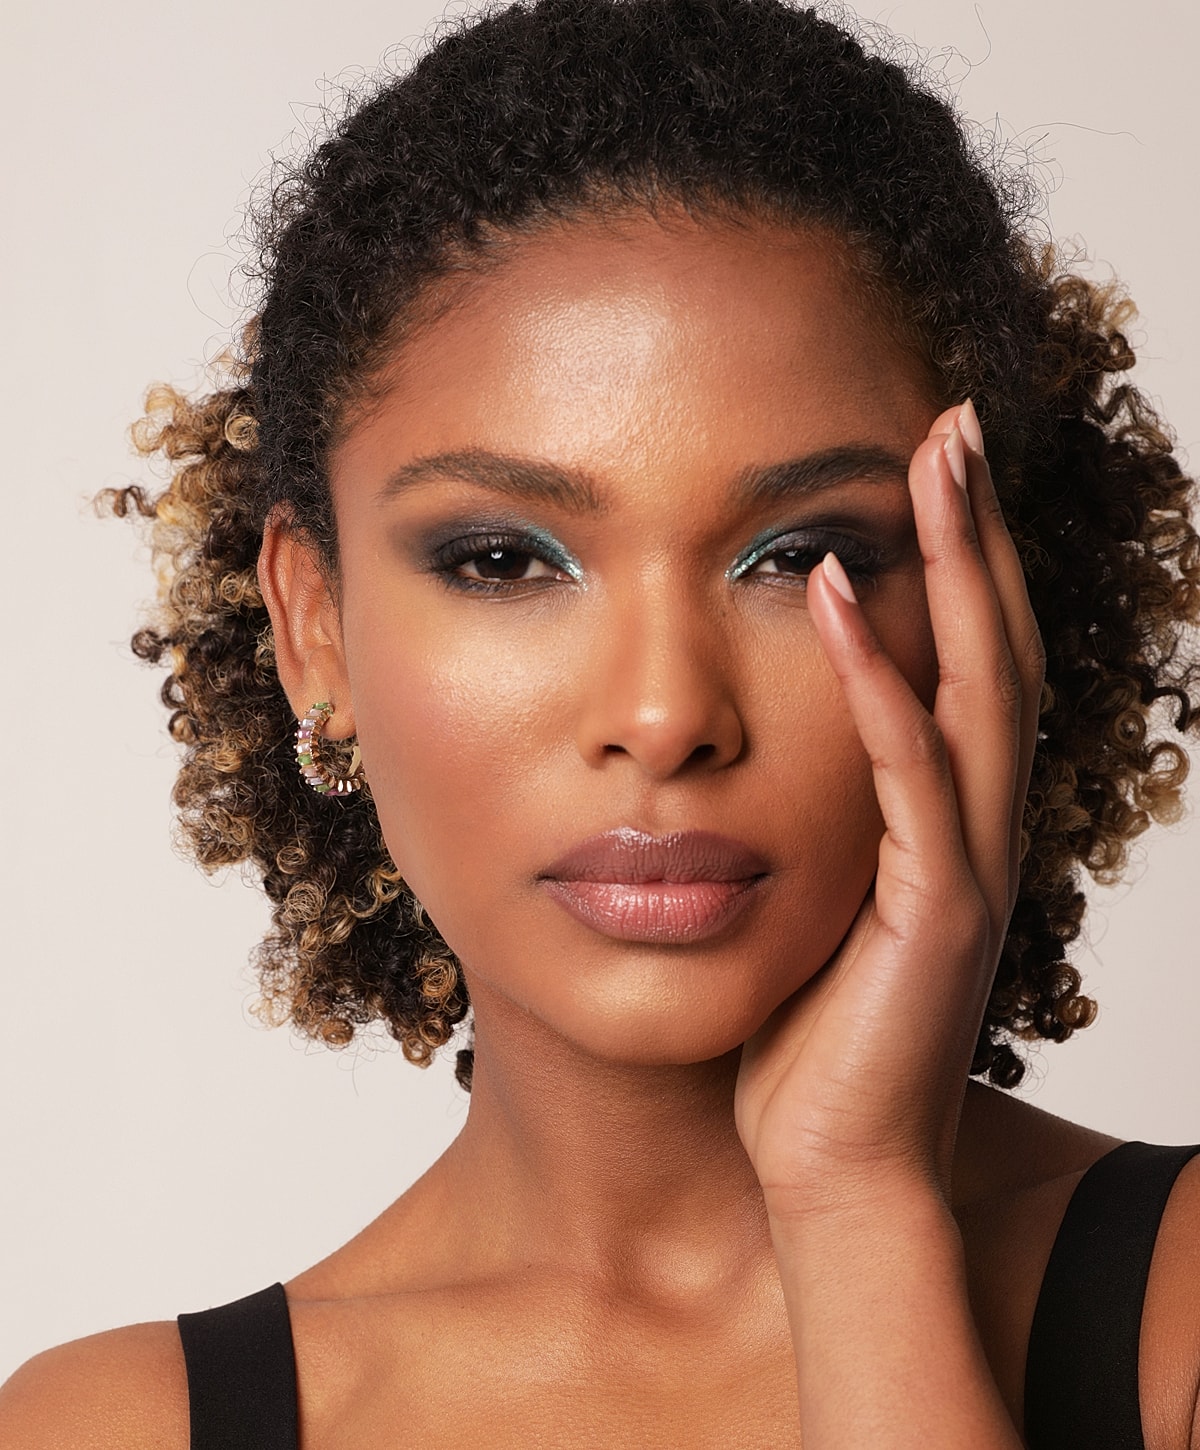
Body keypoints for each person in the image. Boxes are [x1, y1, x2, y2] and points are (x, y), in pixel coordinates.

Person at [3, 0, 1198, 1444]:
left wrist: (855, 1199)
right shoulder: (117, 1425)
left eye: (800, 552)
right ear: (314, 625)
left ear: (979, 603)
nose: (664, 713)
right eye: (504, 559)